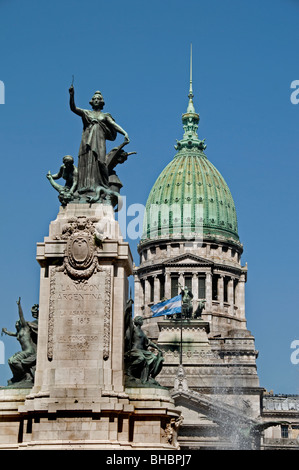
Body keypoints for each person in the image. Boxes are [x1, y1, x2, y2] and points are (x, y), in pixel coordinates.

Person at [69, 86, 129, 194]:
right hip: (86, 142)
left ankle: (100, 185)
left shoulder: (105, 116)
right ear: (92, 102)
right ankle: (84, 187)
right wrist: (72, 95)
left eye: (98, 99)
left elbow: (113, 125)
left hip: (100, 142)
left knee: (100, 162)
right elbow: (73, 108)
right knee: (86, 162)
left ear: (101, 102)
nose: (96, 100)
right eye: (94, 99)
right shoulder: (86, 113)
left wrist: (124, 133)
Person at [124, 304, 164, 385]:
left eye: (142, 320)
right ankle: (129, 371)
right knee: (141, 359)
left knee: (154, 358)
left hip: (142, 351)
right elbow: (127, 322)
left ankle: (147, 377)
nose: (142, 321)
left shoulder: (142, 332)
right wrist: (128, 311)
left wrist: (157, 348)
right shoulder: (133, 329)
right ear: (137, 321)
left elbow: (149, 342)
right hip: (135, 350)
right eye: (140, 320)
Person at [2, 298, 38, 385]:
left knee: (14, 361)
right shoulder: (19, 333)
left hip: (29, 351)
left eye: (17, 322)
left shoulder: (25, 329)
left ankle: (27, 375)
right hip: (24, 351)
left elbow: (21, 316)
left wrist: (19, 306)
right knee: (10, 361)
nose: (16, 323)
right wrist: (6, 331)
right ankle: (18, 376)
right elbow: (13, 334)